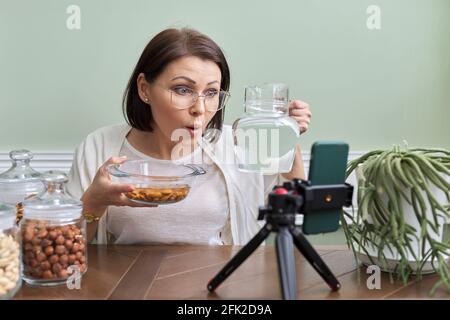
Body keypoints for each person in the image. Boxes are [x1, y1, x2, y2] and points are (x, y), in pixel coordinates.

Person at [66, 28, 312, 245]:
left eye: (212, 92)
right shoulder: (99, 147)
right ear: (144, 89)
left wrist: (286, 135)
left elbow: (296, 200)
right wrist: (94, 202)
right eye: (183, 89)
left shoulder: (234, 144)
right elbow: (64, 248)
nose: (200, 108)